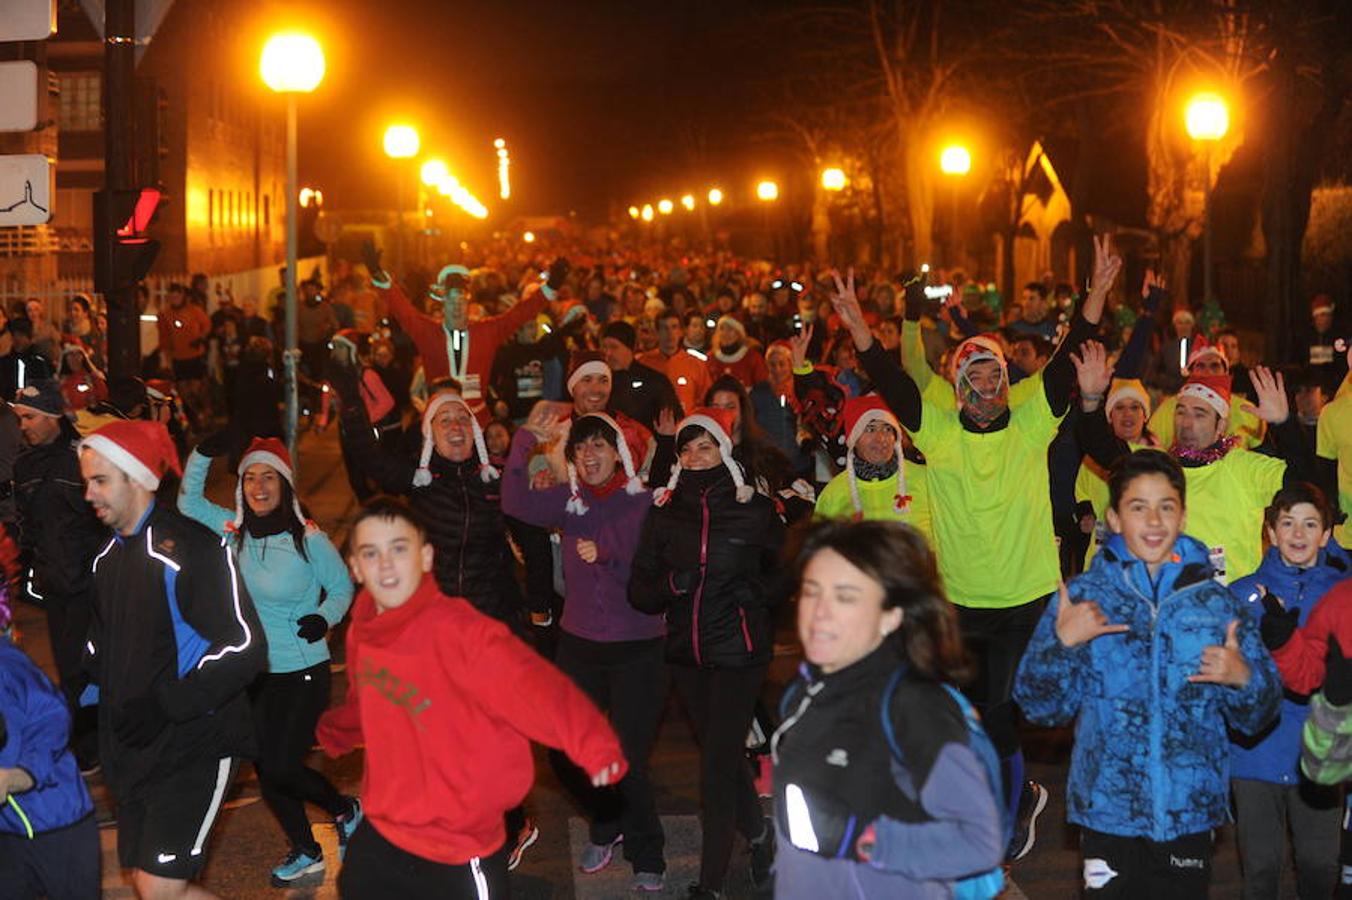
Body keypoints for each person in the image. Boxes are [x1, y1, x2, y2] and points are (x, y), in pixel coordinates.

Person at [831, 240, 1120, 860]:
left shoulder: (1032, 423)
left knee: (1006, 713)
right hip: (963, 603)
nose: (986, 386)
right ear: (957, 388)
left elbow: (1070, 354)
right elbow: (891, 379)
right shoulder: (935, 431)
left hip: (1027, 600)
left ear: (1007, 382)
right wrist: (859, 325)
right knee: (978, 719)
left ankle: (1006, 818)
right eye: (973, 376)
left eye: (995, 374)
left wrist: (1095, 292)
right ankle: (1013, 804)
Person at [316, 497, 628, 900]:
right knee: (354, 885)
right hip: (386, 828)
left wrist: (593, 744)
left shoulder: (460, 631)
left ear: (426, 557)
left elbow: (535, 687)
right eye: (371, 553)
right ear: (356, 568)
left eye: (399, 548)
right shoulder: (363, 628)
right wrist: (343, 724)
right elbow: (373, 696)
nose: (386, 564)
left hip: (458, 845)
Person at [1015, 449, 1281, 897]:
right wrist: (1062, 645)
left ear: (1183, 515)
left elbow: (1259, 716)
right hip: (1107, 809)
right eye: (1138, 507)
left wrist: (1243, 679)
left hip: (1189, 811)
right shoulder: (1083, 598)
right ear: (1115, 519)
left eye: (1166, 507)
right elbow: (1039, 707)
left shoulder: (1214, 604)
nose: (1154, 521)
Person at [78, 419, 266, 899]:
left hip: (194, 744)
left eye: (100, 481)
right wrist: (85, 705)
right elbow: (100, 648)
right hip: (136, 750)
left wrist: (166, 703)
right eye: (86, 483)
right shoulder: (106, 561)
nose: (89, 495)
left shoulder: (193, 550)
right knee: (150, 884)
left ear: (137, 478)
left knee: (160, 887)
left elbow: (245, 648)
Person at [772, 520, 1004, 898]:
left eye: (845, 597)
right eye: (812, 592)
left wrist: (865, 840)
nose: (819, 613)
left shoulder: (913, 706)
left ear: (891, 615)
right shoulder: (804, 691)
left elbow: (979, 841)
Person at [178, 433, 361, 887]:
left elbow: (342, 587)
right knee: (266, 769)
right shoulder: (233, 531)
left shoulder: (308, 540)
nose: (259, 486)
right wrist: (202, 454)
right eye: (250, 478)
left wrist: (324, 616)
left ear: (285, 485)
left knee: (281, 765)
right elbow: (187, 504)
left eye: (269, 477)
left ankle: (344, 809)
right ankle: (306, 849)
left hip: (302, 668)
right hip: (253, 672)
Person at [502, 409, 668, 891]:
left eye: (599, 445)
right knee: (568, 748)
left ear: (617, 452)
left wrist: (610, 554)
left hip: (639, 645)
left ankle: (647, 847)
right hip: (580, 645)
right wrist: (525, 438)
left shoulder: (643, 503)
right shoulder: (568, 502)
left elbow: (653, 570)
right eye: (580, 448)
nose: (589, 455)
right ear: (571, 457)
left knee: (629, 757)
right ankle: (605, 821)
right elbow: (513, 501)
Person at [630, 407, 786, 898]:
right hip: (686, 655)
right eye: (688, 448)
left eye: (706, 446)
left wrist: (756, 596)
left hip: (740, 653)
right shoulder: (663, 511)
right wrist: (675, 583)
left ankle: (711, 883)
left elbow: (789, 568)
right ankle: (760, 837)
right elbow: (640, 590)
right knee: (724, 758)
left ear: (724, 449)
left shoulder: (754, 508)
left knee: (716, 766)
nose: (697, 457)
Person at [1229, 483, 1345, 899]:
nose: (1298, 534)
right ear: (1271, 532)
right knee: (1260, 869)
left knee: (1320, 866)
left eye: (1310, 524)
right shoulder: (1241, 595)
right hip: (1254, 752)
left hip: (1321, 751)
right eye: (1288, 523)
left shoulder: (1342, 594)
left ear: (1326, 535)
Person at [11, 380, 108, 772]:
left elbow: (104, 521)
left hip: (90, 584)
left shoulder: (82, 458)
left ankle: (96, 743)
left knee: (93, 666)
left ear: (53, 417)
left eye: (30, 417)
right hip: (56, 587)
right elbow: (26, 525)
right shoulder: (24, 465)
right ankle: (85, 744)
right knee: (69, 668)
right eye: (20, 418)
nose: (24, 426)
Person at [362, 240, 558, 405]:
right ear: (443, 305)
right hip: (439, 419)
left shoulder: (486, 331)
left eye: (461, 302)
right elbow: (402, 309)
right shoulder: (428, 332)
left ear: (468, 304)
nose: (457, 307)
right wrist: (378, 275)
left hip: (477, 422)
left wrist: (549, 287)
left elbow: (519, 314)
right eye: (451, 301)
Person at [813, 395, 932, 544]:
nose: (881, 438)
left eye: (887, 428)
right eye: (870, 429)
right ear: (853, 440)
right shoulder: (833, 494)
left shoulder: (926, 479)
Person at [600, 320, 680, 432]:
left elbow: (673, 418)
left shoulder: (654, 381)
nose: (608, 353)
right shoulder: (600, 382)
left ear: (630, 348)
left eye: (614, 347)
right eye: (604, 347)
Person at [155, 283, 211, 425]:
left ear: (183, 296)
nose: (175, 299)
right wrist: (165, 359)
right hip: (178, 358)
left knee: (197, 389)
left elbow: (207, 325)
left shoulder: (194, 310)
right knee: (183, 391)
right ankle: (193, 419)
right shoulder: (165, 315)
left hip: (195, 355)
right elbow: (164, 338)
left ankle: (204, 413)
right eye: (172, 296)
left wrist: (201, 338)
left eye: (177, 295)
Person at [639, 309, 712, 413]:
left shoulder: (696, 365)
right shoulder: (644, 362)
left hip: (685, 425)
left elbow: (706, 401)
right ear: (657, 332)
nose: (670, 333)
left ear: (681, 332)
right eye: (664, 328)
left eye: (674, 327)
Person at [706, 315, 768, 388]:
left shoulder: (752, 357)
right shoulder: (711, 358)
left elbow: (763, 386)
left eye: (730, 329)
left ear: (739, 334)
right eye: (722, 329)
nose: (725, 333)